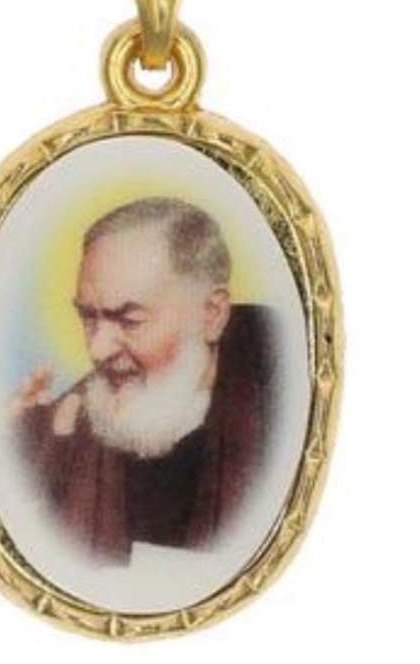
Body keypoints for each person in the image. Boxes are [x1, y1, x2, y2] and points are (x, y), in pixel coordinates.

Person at [14, 197, 275, 564]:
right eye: (88, 318)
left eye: (129, 321)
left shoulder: (283, 391)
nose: (98, 350)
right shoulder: (66, 424)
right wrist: (18, 453)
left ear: (212, 315)